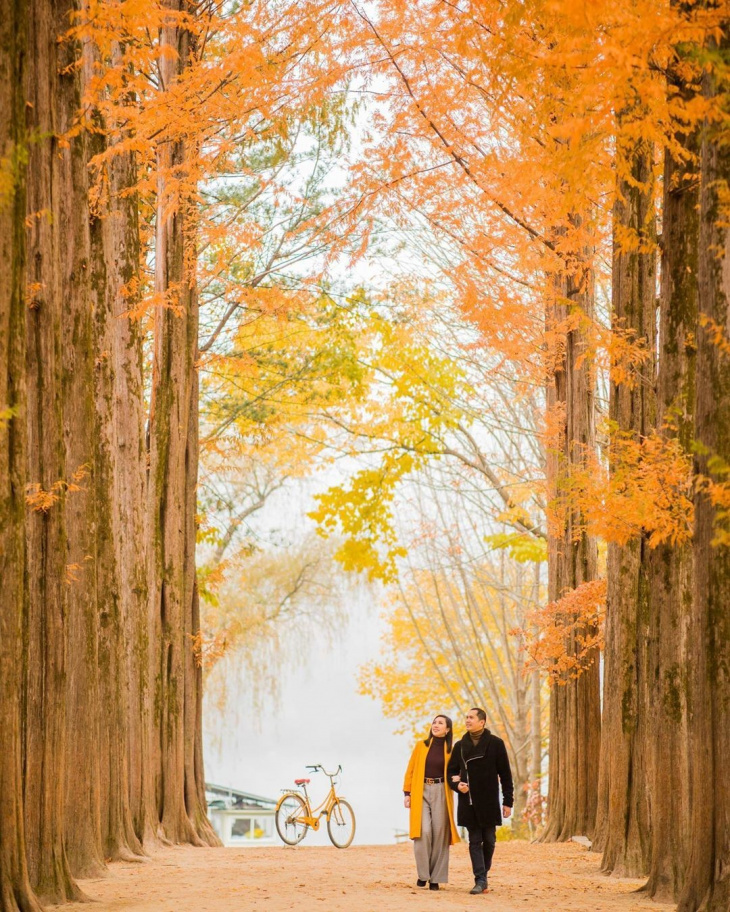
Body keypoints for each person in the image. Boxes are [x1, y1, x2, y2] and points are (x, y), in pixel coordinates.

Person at [447, 707, 513, 895]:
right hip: (468, 800)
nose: (467, 720)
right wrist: (457, 785)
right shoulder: (460, 746)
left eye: (471, 718)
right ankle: (480, 879)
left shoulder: (496, 744)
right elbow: (451, 772)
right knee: (474, 840)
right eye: (466, 717)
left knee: (489, 840)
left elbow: (505, 775)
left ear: (482, 722)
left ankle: (483, 873)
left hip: (489, 800)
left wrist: (508, 801)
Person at [403, 715, 460, 891]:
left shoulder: (452, 749)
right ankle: (423, 875)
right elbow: (411, 769)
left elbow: (458, 770)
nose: (436, 725)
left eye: (440, 723)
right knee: (423, 832)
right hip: (421, 790)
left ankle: (436, 878)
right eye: (434, 722)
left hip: (442, 791)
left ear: (447, 729)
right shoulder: (421, 746)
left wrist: (459, 778)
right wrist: (407, 792)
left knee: (440, 834)